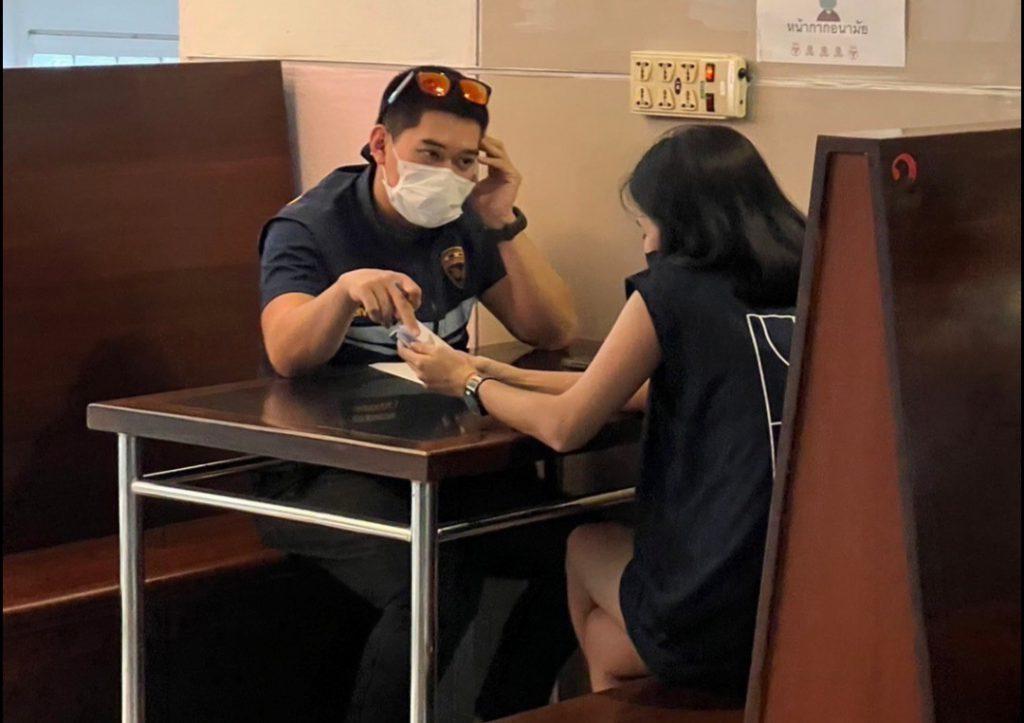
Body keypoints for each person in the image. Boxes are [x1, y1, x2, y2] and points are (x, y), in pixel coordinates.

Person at [399, 125, 805, 699]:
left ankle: (517, 708)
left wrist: (466, 382)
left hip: (713, 609)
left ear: (677, 221)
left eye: (646, 225)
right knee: (607, 644)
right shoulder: (811, 281)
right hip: (801, 604)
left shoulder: (674, 289)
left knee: (585, 544)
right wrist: (499, 371)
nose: (647, 243)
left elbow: (566, 428)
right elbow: (628, 390)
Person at [255, 65, 579, 721]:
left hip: (436, 461)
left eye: (464, 161)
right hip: (320, 471)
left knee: (574, 552)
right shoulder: (311, 225)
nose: (447, 174)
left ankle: (503, 711)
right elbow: (287, 351)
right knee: (433, 581)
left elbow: (552, 328)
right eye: (430, 154)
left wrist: (501, 218)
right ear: (380, 144)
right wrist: (343, 292)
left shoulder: (465, 219)